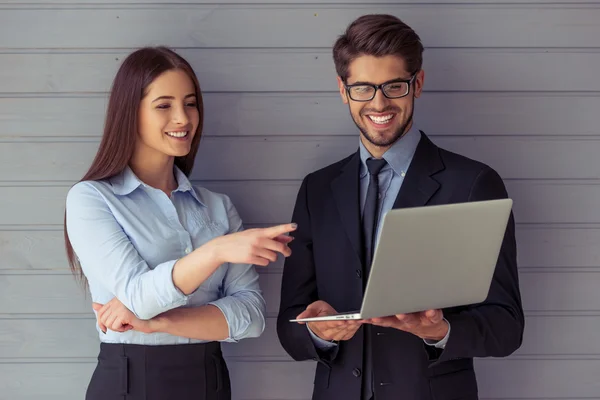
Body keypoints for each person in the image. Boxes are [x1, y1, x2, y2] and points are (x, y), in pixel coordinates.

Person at [276, 14, 524, 400]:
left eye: (393, 86)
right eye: (362, 88)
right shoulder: (317, 190)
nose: (379, 103)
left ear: (417, 84)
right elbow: (289, 326)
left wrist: (438, 332)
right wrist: (315, 331)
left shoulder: (474, 183)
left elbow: (506, 326)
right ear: (343, 90)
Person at [65, 46, 296, 400]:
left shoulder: (218, 207)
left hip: (210, 379)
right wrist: (216, 251)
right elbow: (139, 297)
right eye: (164, 105)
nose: (183, 118)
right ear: (130, 113)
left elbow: (250, 318)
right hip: (129, 382)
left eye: (190, 103)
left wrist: (156, 323)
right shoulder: (91, 199)